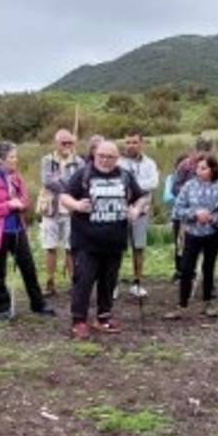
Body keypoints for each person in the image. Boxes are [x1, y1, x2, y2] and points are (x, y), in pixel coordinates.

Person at [59, 140, 144, 338]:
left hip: (115, 239)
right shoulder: (83, 174)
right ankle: (79, 320)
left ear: (117, 158)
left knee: (109, 281)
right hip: (86, 240)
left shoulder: (125, 175)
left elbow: (140, 197)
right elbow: (64, 196)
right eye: (101, 156)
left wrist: (136, 209)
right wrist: (78, 205)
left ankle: (103, 317)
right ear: (95, 155)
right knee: (83, 281)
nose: (105, 160)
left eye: (110, 157)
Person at [0, 142, 55, 320]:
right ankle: (3, 308)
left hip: (17, 229)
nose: (15, 160)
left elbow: (25, 200)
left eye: (15, 156)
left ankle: (38, 304)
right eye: (12, 157)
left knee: (28, 267)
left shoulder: (16, 178)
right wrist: (8, 205)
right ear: (0, 160)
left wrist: (21, 204)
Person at [165, 152, 218, 320]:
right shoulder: (189, 186)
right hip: (192, 233)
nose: (199, 171)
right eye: (198, 168)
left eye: (204, 168)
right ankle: (182, 304)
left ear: (212, 169)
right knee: (186, 268)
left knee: (209, 267)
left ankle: (207, 303)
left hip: (214, 233)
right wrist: (194, 214)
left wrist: (213, 218)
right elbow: (177, 210)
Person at [38, 129, 82, 296]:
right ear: (56, 143)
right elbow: (47, 181)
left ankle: (74, 282)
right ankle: (50, 282)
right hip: (51, 210)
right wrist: (69, 186)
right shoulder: (47, 160)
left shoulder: (78, 161)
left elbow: (81, 181)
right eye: (63, 143)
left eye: (70, 143)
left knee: (71, 248)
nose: (67, 146)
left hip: (71, 212)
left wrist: (63, 183)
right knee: (50, 247)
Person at [117, 131, 159, 298]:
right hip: (120, 212)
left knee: (139, 248)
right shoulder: (118, 162)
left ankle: (137, 282)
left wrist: (133, 186)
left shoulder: (149, 163)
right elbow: (117, 183)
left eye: (134, 142)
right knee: (117, 249)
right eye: (127, 142)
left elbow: (153, 182)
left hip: (141, 212)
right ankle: (113, 284)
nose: (130, 145)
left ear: (141, 143)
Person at [169, 136, 214, 280]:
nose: (204, 153)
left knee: (207, 247)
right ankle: (182, 273)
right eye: (202, 149)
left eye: (207, 149)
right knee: (182, 245)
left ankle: (207, 279)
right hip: (186, 212)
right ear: (195, 149)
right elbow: (174, 187)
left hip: (207, 213)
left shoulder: (214, 165)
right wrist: (190, 195)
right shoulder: (185, 165)